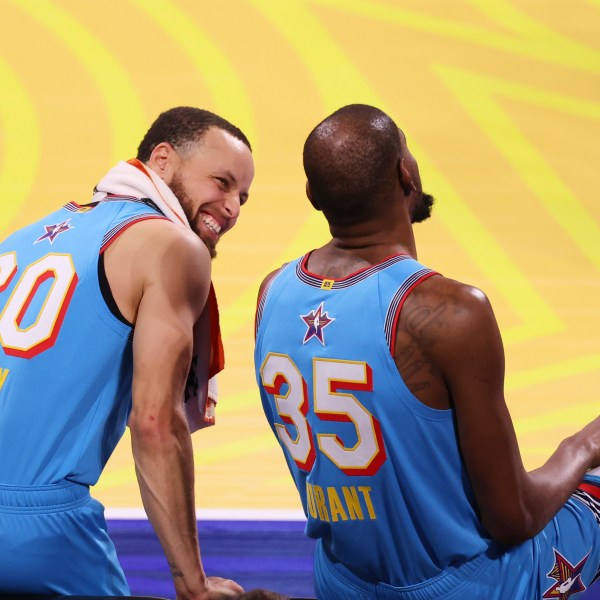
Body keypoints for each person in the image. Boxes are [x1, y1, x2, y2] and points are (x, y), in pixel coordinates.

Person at [254, 104, 600, 599]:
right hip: (467, 585)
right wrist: (582, 447)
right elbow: (513, 518)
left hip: (342, 581)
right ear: (406, 173)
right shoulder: (451, 312)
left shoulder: (273, 294)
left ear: (312, 196)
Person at [0, 106, 254, 599]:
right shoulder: (171, 246)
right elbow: (156, 423)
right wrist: (193, 583)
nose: (232, 207)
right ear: (161, 160)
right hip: (38, 530)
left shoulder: (25, 237)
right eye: (221, 182)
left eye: (242, 197)